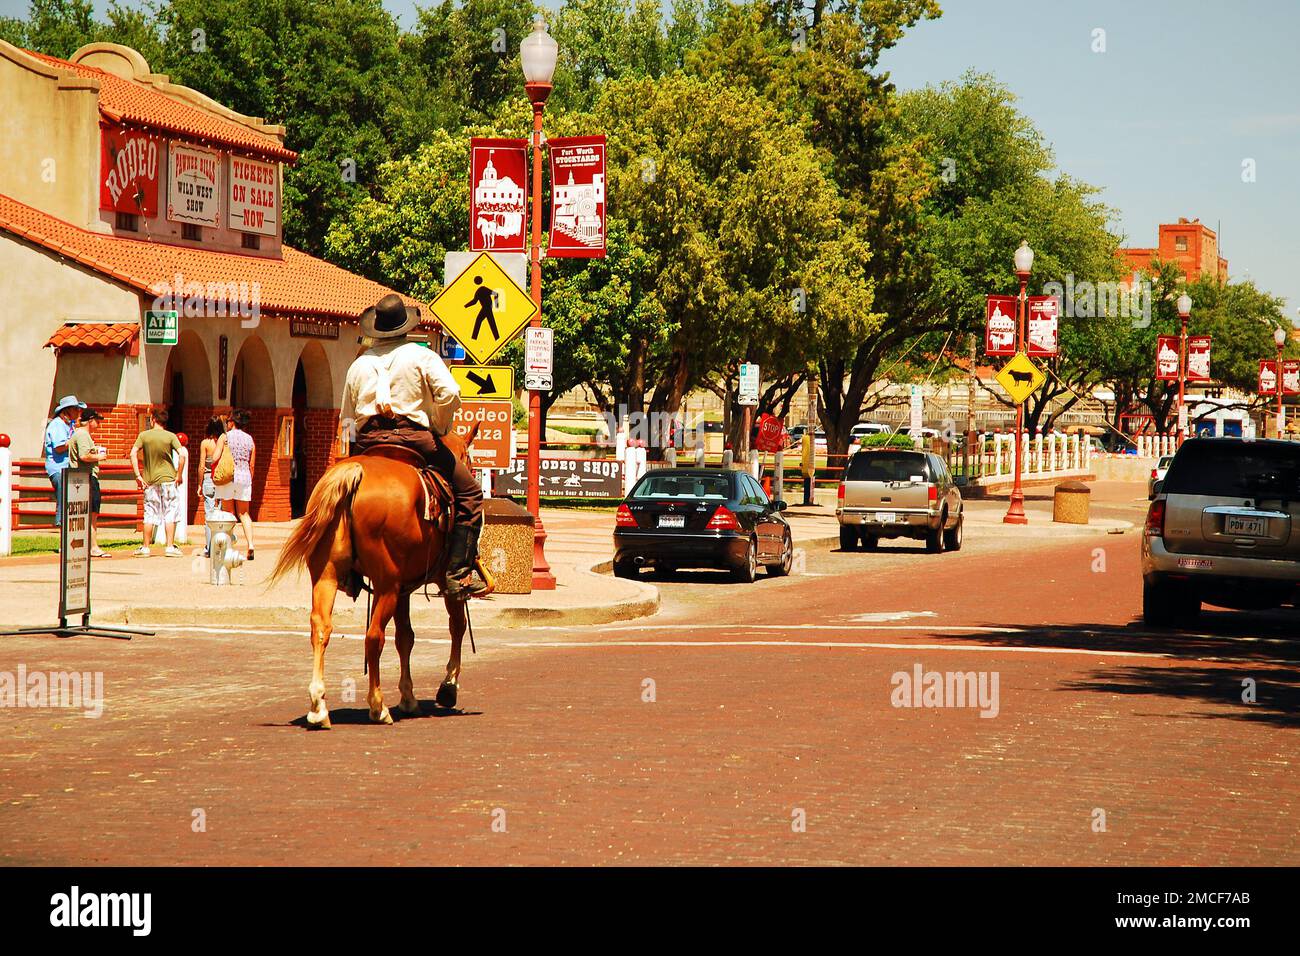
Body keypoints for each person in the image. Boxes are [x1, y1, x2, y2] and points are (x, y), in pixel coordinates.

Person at [341, 293, 485, 599]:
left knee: (341, 499)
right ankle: (458, 573)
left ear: (376, 329)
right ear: (405, 327)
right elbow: (450, 394)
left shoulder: (358, 365)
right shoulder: (422, 357)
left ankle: (347, 571)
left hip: (368, 443)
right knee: (470, 493)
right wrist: (439, 424)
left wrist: (351, 453)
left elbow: (346, 419)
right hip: (415, 440)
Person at [130, 405, 183, 557]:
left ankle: (146, 547)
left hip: (150, 479)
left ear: (153, 420)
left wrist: (138, 475)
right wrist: (179, 474)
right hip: (169, 478)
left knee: (149, 513)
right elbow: (182, 455)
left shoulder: (144, 436)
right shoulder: (171, 436)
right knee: (170, 512)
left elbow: (133, 453)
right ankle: (170, 546)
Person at [68, 407, 109, 557]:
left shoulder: (80, 434)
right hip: (87, 478)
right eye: (97, 420)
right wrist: (100, 456)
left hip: (80, 478)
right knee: (92, 514)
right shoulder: (83, 435)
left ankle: (82, 545)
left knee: (83, 514)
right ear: (90, 420)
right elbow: (84, 456)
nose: (99, 424)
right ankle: (93, 547)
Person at [216, 410, 256, 560]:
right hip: (244, 478)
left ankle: (228, 546)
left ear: (232, 422)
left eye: (228, 421)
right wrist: (249, 478)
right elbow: (252, 464)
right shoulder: (249, 439)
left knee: (229, 513)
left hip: (228, 476)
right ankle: (250, 544)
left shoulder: (225, 437)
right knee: (244, 514)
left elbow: (216, 455)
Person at [43, 395, 84, 526]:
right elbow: (59, 447)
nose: (78, 411)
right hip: (58, 468)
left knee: (71, 496)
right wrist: (75, 441)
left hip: (67, 467)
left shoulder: (70, 425)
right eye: (76, 409)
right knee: (64, 495)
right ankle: (61, 521)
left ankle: (66, 524)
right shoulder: (57, 425)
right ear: (67, 410)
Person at [197, 416, 227, 557]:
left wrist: (199, 483)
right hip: (222, 479)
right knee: (222, 514)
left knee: (209, 516)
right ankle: (221, 547)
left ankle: (209, 548)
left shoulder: (205, 443)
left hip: (209, 479)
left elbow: (202, 466)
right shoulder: (225, 441)